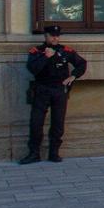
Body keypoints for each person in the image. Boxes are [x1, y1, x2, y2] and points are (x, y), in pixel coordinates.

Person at [20, 24, 87, 164]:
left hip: (59, 90)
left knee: (58, 123)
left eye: (57, 36)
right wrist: (45, 57)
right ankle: (34, 153)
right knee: (36, 122)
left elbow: (81, 64)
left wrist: (73, 76)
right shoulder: (36, 51)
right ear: (46, 36)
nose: (56, 38)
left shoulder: (66, 51)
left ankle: (54, 153)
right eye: (53, 36)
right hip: (41, 90)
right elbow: (33, 69)